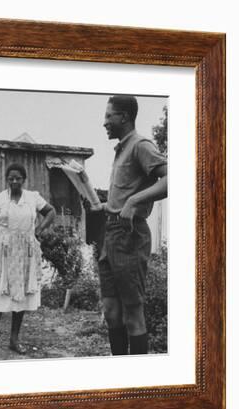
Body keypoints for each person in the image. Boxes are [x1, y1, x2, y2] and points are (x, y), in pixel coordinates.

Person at [99, 95, 168, 355]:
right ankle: (120, 376)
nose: (104, 122)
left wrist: (133, 202)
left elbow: (169, 179)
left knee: (132, 312)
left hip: (130, 235)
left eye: (109, 116)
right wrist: (106, 206)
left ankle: (139, 381)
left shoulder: (141, 145)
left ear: (125, 117)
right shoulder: (121, 149)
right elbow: (124, 197)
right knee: (112, 311)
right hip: (111, 234)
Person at [0, 163, 56, 359]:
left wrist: (38, 230)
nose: (14, 181)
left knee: (20, 298)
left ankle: (14, 340)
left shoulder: (33, 198)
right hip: (4, 251)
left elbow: (51, 212)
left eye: (18, 178)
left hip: (26, 252)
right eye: (11, 178)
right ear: (7, 180)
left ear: (24, 180)